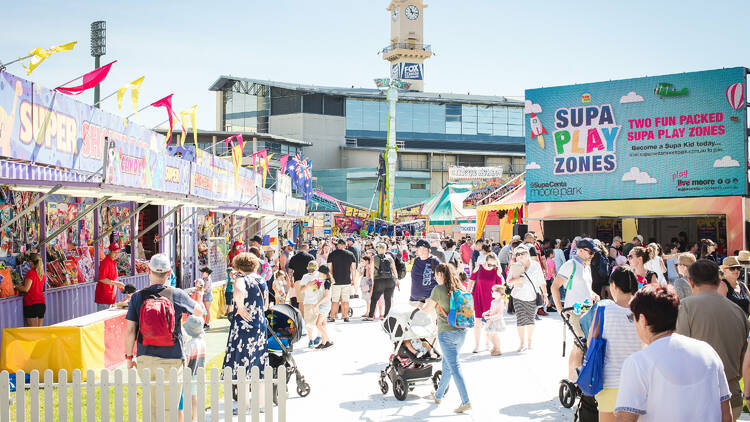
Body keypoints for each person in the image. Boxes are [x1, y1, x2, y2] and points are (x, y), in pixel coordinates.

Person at [614, 285, 733, 422]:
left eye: (632, 318)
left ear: (642, 320)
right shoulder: (708, 352)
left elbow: (625, 418)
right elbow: (726, 414)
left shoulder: (638, 362)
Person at [124, 253, 204, 421]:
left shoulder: (137, 297)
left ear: (148, 271)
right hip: (172, 357)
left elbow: (130, 330)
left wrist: (129, 357)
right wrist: (200, 295)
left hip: (146, 356)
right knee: (170, 408)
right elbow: (198, 310)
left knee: (151, 406)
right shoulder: (177, 294)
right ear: (169, 273)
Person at [677, 259, 750, 420]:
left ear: (690, 281)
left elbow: (678, 354)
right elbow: (744, 360)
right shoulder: (738, 311)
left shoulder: (685, 308)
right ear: (718, 281)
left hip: (697, 398)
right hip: (733, 396)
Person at [590, 266, 642, 422]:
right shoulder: (643, 311)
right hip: (638, 382)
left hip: (609, 381)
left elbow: (591, 342)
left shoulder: (603, 309)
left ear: (614, 286)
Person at [221, 252, 269, 415]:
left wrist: (240, 307)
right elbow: (267, 305)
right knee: (259, 361)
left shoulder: (241, 279)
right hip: (259, 324)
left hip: (243, 326)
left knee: (242, 362)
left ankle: (245, 405)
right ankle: (261, 403)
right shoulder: (261, 280)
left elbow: (239, 290)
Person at [422, 263, 472, 413]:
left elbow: (427, 310)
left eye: (437, 274)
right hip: (461, 331)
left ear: (440, 275)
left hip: (446, 333)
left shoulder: (438, 289)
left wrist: (419, 308)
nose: (435, 277)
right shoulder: (460, 288)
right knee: (447, 365)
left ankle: (466, 401)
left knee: (454, 367)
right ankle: (438, 395)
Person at [552, 238, 598, 381]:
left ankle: (575, 379)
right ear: (581, 251)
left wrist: (593, 295)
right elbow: (554, 286)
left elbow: (586, 288)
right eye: (590, 252)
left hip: (588, 311)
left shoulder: (586, 266)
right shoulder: (570, 264)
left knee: (581, 346)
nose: (592, 256)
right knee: (580, 344)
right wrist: (560, 309)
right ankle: (575, 381)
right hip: (575, 311)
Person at [508, 245, 548, 351]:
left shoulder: (535, 265)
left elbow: (541, 281)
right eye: (518, 254)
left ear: (528, 253)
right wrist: (517, 279)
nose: (521, 256)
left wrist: (545, 294)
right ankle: (522, 343)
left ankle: (529, 341)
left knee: (530, 320)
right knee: (520, 319)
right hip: (518, 296)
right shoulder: (514, 266)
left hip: (532, 296)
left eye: (523, 253)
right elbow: (509, 282)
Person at [468, 252, 504, 352]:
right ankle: (477, 345)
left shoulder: (496, 271)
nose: (492, 266)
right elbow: (471, 280)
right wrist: (467, 293)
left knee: (489, 322)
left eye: (494, 264)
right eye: (489, 264)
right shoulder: (479, 267)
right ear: (485, 262)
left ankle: (487, 343)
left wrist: (499, 275)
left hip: (490, 300)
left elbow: (499, 287)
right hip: (478, 297)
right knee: (477, 322)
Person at [364, 242, 399, 321]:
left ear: (377, 249)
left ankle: (370, 316)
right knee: (388, 298)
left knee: (374, 299)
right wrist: (396, 279)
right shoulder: (390, 257)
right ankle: (386, 315)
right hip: (390, 280)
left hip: (379, 280)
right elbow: (394, 269)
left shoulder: (374, 258)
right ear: (385, 249)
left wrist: (373, 281)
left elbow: (372, 271)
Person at [182, 316, 207, 422]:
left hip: (192, 372)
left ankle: (195, 417)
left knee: (192, 396)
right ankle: (198, 414)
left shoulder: (190, 344)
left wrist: (184, 369)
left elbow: (187, 359)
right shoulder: (202, 342)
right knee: (199, 394)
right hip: (200, 370)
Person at [327, 238, 357, 322]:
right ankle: (345, 316)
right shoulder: (350, 254)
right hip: (346, 280)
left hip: (335, 281)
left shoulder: (332, 254)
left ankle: (332, 317)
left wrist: (331, 278)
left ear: (338, 245)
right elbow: (353, 268)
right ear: (344, 245)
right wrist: (353, 280)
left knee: (335, 300)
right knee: (345, 300)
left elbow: (329, 268)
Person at [15, 253, 46, 327]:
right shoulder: (42, 274)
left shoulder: (31, 273)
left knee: (33, 332)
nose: (28, 263)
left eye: (29, 261)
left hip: (32, 304)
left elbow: (26, 289)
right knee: (38, 331)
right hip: (41, 303)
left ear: (32, 262)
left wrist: (16, 286)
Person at [299, 260, 324, 347]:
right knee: (309, 322)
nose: (312, 273)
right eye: (310, 270)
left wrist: (315, 285)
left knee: (319, 321)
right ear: (307, 268)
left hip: (318, 301)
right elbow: (301, 290)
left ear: (317, 268)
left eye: (313, 270)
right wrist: (307, 285)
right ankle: (310, 340)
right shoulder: (305, 276)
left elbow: (319, 289)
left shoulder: (320, 275)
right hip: (308, 302)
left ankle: (319, 336)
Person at [95, 242, 126, 311]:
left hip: (111, 296)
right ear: (110, 251)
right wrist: (116, 283)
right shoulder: (105, 262)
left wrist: (120, 287)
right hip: (103, 296)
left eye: (118, 252)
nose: (117, 254)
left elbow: (113, 278)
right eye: (115, 252)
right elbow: (101, 279)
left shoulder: (113, 262)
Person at [409, 239, 441, 306]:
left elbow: (442, 280)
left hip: (428, 300)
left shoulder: (435, 261)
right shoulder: (416, 260)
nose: (422, 251)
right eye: (419, 249)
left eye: (424, 249)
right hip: (415, 300)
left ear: (429, 250)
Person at [482, 284, 506, 356]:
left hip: (496, 321)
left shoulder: (501, 302)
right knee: (490, 335)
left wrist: (489, 317)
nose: (491, 293)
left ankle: (498, 349)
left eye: (493, 291)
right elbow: (491, 310)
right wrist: (487, 312)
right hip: (491, 320)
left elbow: (499, 313)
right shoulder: (493, 301)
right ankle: (494, 346)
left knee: (494, 335)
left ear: (498, 293)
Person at [314, 265, 333, 349]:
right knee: (323, 324)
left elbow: (326, 296)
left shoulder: (327, 282)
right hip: (324, 305)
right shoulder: (324, 281)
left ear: (323, 273)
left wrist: (317, 304)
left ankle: (328, 340)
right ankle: (323, 342)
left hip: (324, 306)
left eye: (320, 272)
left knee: (318, 324)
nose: (319, 273)